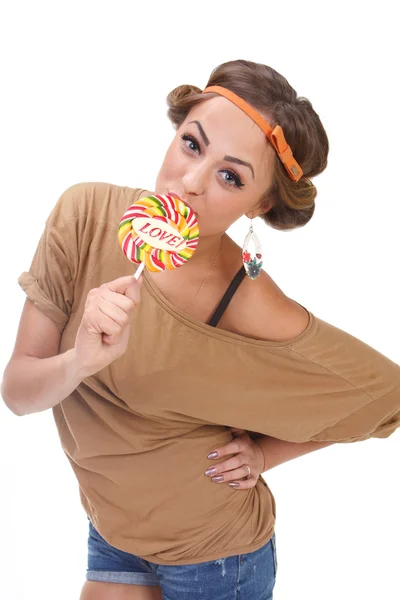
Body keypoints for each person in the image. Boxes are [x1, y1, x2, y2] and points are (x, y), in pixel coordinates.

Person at [2, 59, 400, 600]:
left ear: (259, 203)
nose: (190, 182)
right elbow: (18, 394)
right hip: (114, 530)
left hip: (215, 555)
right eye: (193, 144)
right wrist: (79, 361)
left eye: (230, 176)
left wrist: (265, 454)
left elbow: (382, 396)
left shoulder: (249, 297)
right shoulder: (85, 215)